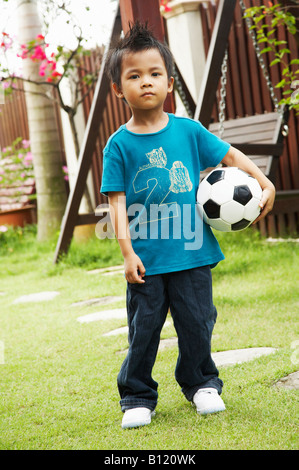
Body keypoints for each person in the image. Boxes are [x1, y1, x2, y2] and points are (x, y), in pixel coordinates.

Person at [100, 22, 275, 429]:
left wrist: (263, 181)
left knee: (198, 322)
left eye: (155, 73)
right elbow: (117, 204)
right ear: (118, 89)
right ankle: (138, 394)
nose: (146, 82)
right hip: (148, 259)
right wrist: (127, 252)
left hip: (194, 253)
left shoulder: (189, 130)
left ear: (170, 81)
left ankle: (201, 384)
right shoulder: (118, 146)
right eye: (134, 75)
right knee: (144, 331)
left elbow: (230, 156)